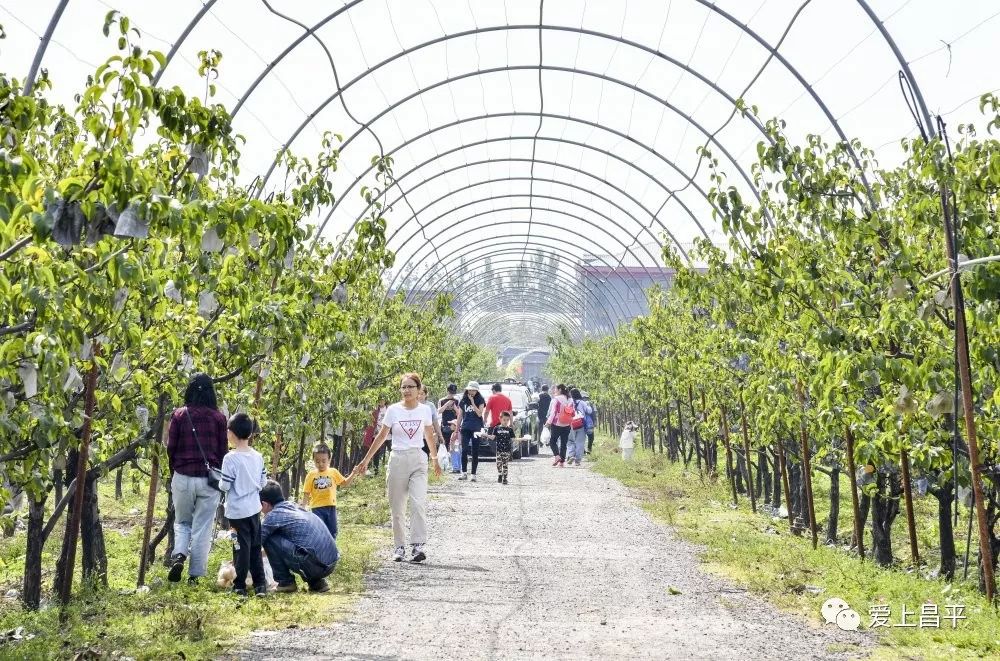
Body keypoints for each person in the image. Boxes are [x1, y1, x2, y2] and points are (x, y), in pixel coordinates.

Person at [357, 373, 441, 563]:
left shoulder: (424, 410)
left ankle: (418, 546)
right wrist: (366, 460)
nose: (407, 390)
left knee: (418, 502)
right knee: (397, 507)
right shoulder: (393, 410)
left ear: (419, 390)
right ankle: (399, 547)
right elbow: (381, 436)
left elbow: (429, 435)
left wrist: (434, 458)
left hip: (418, 458)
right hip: (397, 459)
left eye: (411, 387)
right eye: (403, 387)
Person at [166, 373, 228, 584]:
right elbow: (222, 452)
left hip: (183, 477)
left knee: (182, 521)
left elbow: (170, 447)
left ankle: (179, 555)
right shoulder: (219, 418)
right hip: (208, 480)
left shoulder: (179, 415)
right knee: (203, 527)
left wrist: (174, 470)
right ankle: (195, 576)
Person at [219, 412, 268, 597]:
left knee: (239, 548)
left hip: (235, 515)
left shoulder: (230, 459)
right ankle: (260, 586)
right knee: (255, 547)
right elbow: (263, 483)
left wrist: (216, 480)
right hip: (254, 510)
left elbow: (224, 485)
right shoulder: (258, 456)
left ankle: (239, 586)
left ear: (232, 433)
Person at [260, 480, 339, 593]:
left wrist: (238, 562)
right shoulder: (294, 507)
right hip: (330, 563)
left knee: (270, 538)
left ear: (265, 504)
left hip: (315, 565)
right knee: (302, 543)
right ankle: (317, 583)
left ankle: (286, 583)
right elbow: (277, 549)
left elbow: (255, 545)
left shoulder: (272, 516)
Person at [302, 443, 357, 540]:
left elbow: (344, 483)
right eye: (317, 461)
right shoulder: (311, 475)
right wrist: (303, 507)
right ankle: (320, 552)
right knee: (319, 531)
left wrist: (353, 473)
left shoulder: (333, 472)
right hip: (316, 508)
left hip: (331, 507)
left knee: (333, 531)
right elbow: (306, 492)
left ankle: (332, 552)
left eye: (324, 461)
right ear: (313, 460)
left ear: (329, 460)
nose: (321, 464)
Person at [457, 381, 486, 482]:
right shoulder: (463, 400)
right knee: (464, 450)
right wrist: (456, 430)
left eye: (473, 390)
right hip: (465, 427)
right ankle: (464, 472)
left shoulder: (480, 399)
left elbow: (479, 414)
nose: (471, 391)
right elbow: (460, 415)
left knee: (475, 451)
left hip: (476, 428)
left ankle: (473, 474)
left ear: (477, 390)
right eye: (470, 389)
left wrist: (473, 402)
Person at [545, 384, 572, 467]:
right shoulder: (570, 399)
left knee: (552, 441)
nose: (555, 391)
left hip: (557, 423)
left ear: (560, 390)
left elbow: (553, 413)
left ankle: (557, 456)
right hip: (567, 423)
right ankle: (562, 462)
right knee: (564, 443)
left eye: (556, 389)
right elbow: (572, 411)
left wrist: (548, 422)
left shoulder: (556, 399)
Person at [438, 384, 463, 474]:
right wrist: (446, 405)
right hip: (445, 425)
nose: (452, 395)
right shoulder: (442, 400)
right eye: (451, 392)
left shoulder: (457, 401)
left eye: (453, 393)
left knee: (454, 446)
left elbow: (459, 413)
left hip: (454, 425)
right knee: (445, 444)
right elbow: (439, 411)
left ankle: (455, 465)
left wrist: (455, 407)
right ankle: (446, 464)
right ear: (447, 391)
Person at [487, 411, 516, 485]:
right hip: (499, 450)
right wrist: (485, 435)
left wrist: (522, 439)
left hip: (507, 450)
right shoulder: (496, 428)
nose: (506, 422)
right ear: (500, 419)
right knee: (498, 464)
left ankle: (505, 478)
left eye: (507, 420)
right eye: (504, 420)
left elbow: (513, 439)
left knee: (505, 464)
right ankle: (500, 474)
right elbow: (493, 437)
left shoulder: (510, 430)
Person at [419, 384, 446, 456]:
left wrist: (440, 435)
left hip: (428, 436)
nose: (420, 396)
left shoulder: (430, 405)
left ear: (426, 394)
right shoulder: (412, 406)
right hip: (415, 438)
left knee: (425, 458)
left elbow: (435, 421)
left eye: (422, 394)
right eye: (418, 393)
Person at [566, 388, 588, 466]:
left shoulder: (568, 402)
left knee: (570, 440)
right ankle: (577, 460)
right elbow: (589, 411)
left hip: (571, 423)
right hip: (581, 423)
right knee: (580, 442)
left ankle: (571, 455)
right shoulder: (582, 402)